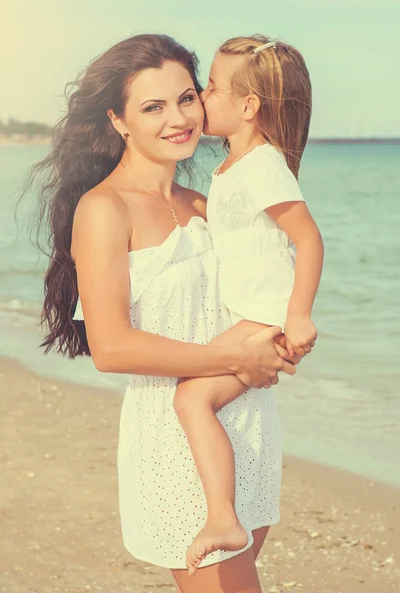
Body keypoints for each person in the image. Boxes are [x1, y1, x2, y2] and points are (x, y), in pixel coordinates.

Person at [28, 34, 305, 593]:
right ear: (119, 121)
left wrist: (278, 344)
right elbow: (112, 349)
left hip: (247, 428)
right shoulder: (103, 209)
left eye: (186, 98)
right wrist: (231, 355)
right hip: (175, 441)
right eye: (152, 107)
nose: (178, 118)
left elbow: (267, 288)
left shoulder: (206, 204)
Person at [176, 35, 324, 575]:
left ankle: (223, 518)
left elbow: (306, 240)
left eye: (211, 87)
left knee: (192, 398)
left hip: (265, 316)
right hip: (250, 313)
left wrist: (298, 315)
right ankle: (224, 509)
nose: (200, 94)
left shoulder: (262, 164)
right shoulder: (231, 167)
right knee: (193, 395)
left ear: (247, 106)